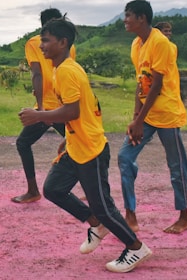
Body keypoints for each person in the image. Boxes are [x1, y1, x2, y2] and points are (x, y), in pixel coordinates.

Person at [19, 17, 152, 273]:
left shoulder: (68, 70)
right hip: (76, 146)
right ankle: (96, 224)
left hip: (90, 149)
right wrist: (67, 140)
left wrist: (38, 116)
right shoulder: (63, 68)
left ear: (62, 42)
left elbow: (72, 111)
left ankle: (136, 248)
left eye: (46, 40)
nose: (41, 45)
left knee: (103, 207)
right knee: (54, 189)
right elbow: (83, 110)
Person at [119, 0, 187, 234]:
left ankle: (184, 216)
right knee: (124, 157)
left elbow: (157, 85)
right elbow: (142, 83)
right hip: (146, 115)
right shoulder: (136, 45)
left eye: (129, 15)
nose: (125, 19)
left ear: (142, 18)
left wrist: (140, 120)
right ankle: (130, 215)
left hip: (167, 113)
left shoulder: (161, 42)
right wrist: (136, 117)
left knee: (176, 164)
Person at [11, 7, 76, 203]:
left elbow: (37, 73)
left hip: (49, 106)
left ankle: (33, 191)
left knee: (23, 143)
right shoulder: (68, 44)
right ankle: (88, 186)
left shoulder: (33, 43)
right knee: (79, 143)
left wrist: (39, 109)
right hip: (63, 105)